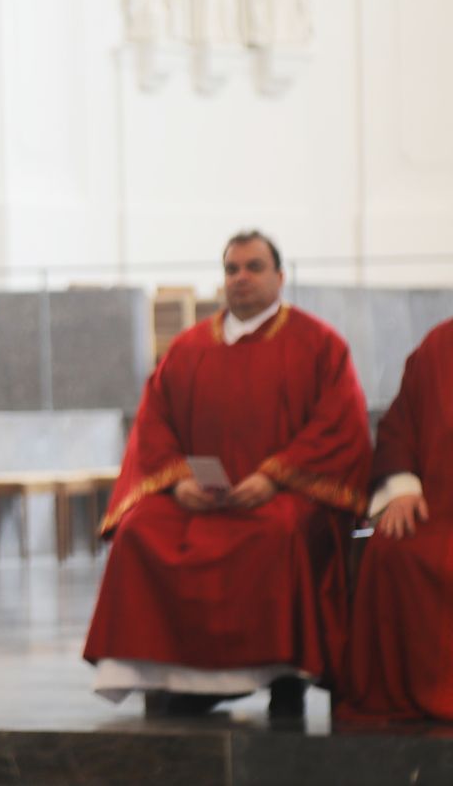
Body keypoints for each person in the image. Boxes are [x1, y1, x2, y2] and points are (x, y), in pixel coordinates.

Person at [83, 231, 372, 718]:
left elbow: (339, 424)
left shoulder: (319, 344)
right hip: (198, 497)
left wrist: (276, 477)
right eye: (232, 269)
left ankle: (283, 675)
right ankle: (170, 675)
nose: (241, 278)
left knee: (281, 532)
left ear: (280, 277)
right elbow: (155, 424)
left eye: (254, 267)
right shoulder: (189, 347)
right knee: (140, 531)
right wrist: (178, 482)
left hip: (280, 496)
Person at [338, 318, 453, 722]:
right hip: (440, 508)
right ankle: (398, 691)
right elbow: (400, 424)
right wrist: (402, 486)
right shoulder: (440, 343)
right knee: (391, 548)